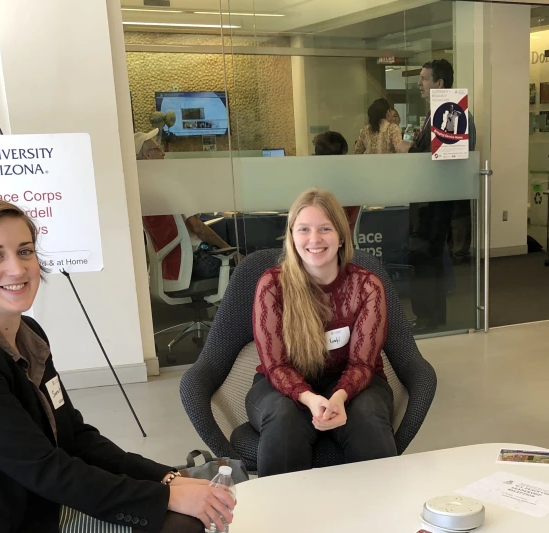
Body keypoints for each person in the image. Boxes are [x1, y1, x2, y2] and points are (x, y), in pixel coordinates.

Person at [0, 196, 236, 533]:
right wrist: (162, 497)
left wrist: (166, 476)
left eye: (25, 251)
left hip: (32, 503)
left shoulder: (28, 333)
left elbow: (74, 437)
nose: (17, 269)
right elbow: (43, 467)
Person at [246, 189, 397, 477]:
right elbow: (275, 365)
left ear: (341, 237)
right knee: (283, 416)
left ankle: (379, 511)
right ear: (292, 237)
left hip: (355, 383)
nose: (314, 240)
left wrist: (338, 397)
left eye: (325, 229)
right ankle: (285, 518)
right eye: (304, 230)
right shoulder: (272, 285)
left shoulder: (367, 286)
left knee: (365, 414)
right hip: (284, 386)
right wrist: (309, 398)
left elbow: (363, 364)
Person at [407, 58, 458, 331]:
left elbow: (440, 161)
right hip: (427, 200)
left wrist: (409, 151)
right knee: (428, 259)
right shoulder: (435, 115)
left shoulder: (449, 115)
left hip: (433, 204)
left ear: (439, 83)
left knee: (426, 257)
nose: (419, 84)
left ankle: (428, 316)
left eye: (424, 79)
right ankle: (432, 315)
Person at [183, 214, 240, 281]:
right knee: (246, 267)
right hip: (199, 261)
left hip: (184, 264)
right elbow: (198, 228)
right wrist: (228, 249)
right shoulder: (183, 204)